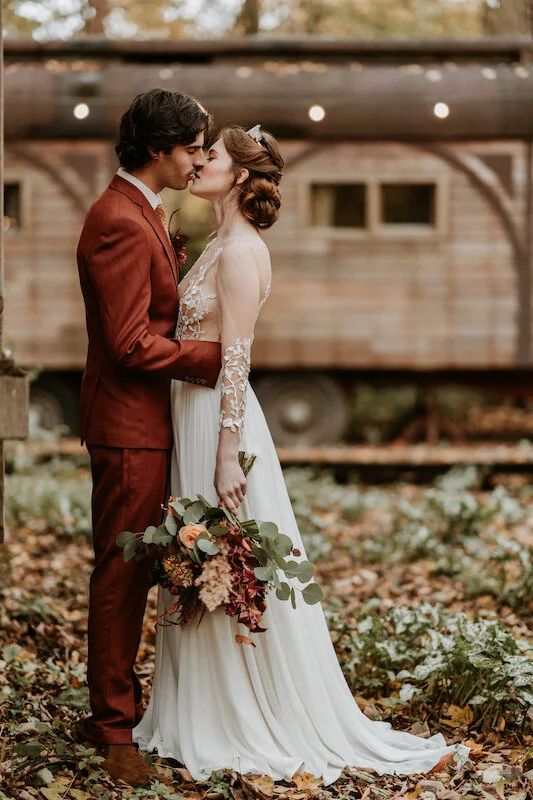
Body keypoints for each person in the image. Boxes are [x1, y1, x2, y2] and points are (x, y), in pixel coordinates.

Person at [133, 124, 467, 784]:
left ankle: (233, 714)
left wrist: (227, 454)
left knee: (220, 562)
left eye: (214, 156)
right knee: (197, 561)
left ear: (237, 175)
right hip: (192, 413)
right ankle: (194, 705)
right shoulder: (218, 242)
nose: (200, 161)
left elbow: (236, 359)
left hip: (217, 424)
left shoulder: (239, 252)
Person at [76, 88, 221, 787]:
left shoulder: (143, 212)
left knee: (134, 573)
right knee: (122, 576)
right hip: (128, 428)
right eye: (192, 146)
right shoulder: (120, 221)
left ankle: (119, 709)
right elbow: (129, 343)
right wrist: (211, 356)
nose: (199, 159)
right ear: (159, 147)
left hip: (147, 426)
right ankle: (112, 729)